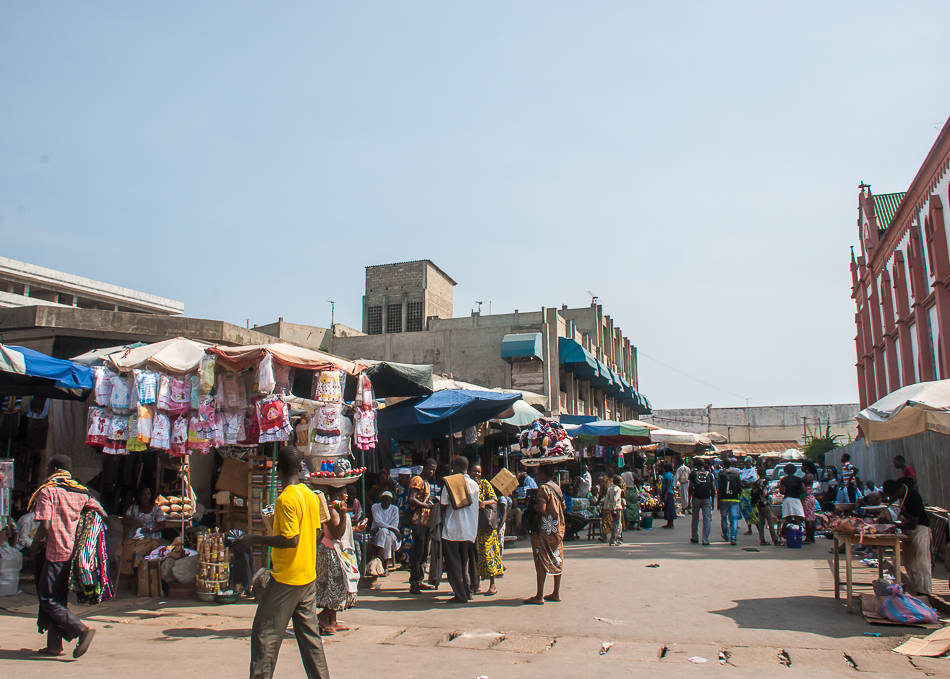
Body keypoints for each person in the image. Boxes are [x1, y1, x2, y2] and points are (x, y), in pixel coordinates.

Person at [235, 447, 330, 679]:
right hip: (307, 576)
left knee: (264, 635)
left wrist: (253, 539)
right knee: (311, 640)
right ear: (300, 468)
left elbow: (290, 540)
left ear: (277, 471)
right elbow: (317, 534)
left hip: (287, 578)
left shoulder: (286, 500)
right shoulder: (310, 495)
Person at [28, 455, 102, 658]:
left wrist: (33, 546)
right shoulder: (81, 492)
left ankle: (81, 630)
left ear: (54, 468)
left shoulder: (47, 491)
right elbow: (99, 513)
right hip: (72, 552)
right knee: (58, 599)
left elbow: (44, 526)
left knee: (47, 598)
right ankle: (54, 645)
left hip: (53, 552)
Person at [315, 486, 360, 636]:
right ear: (336, 494)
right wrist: (344, 514)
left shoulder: (335, 509)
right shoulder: (333, 511)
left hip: (335, 550)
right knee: (335, 586)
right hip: (331, 551)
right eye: (344, 492)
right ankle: (322, 617)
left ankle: (332, 620)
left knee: (336, 585)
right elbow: (336, 533)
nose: (347, 495)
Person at [440, 456, 479, 603]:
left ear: (455, 466)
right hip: (469, 530)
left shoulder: (450, 482)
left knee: (453, 565)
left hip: (453, 529)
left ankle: (460, 595)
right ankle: (467, 591)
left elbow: (444, 504)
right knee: (465, 563)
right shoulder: (474, 484)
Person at [882, 479, 932, 595]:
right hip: (909, 532)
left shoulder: (912, 497)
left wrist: (894, 524)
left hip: (920, 531)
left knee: (920, 563)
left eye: (891, 495)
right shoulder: (902, 496)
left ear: (898, 490)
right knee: (910, 564)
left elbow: (913, 523)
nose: (891, 498)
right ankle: (917, 591)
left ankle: (924, 593)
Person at [524, 465, 565, 605]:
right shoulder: (557, 487)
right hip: (557, 528)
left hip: (544, 529)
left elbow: (541, 509)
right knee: (557, 559)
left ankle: (539, 595)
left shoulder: (543, 489)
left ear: (542, 473)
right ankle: (556, 592)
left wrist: (531, 505)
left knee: (542, 560)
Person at [118, 486, 165, 593]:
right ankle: (131, 575)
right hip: (135, 539)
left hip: (151, 540)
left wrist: (151, 530)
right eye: (143, 494)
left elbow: (162, 524)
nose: (146, 497)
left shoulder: (156, 509)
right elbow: (125, 519)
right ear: (139, 496)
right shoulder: (134, 508)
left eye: (148, 494)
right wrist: (134, 522)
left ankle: (138, 580)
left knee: (136, 553)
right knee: (122, 552)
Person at [471, 464, 503, 595]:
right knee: (476, 556)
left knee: (488, 554)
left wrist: (484, 503)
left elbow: (494, 499)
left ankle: (492, 585)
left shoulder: (484, 484)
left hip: (486, 527)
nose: (476, 474)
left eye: (478, 472)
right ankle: (477, 584)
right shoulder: (469, 486)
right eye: (474, 471)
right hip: (474, 526)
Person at [408, 459, 437, 594]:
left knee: (424, 552)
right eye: (430, 469)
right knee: (418, 552)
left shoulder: (426, 482)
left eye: (434, 470)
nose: (432, 472)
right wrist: (426, 506)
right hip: (418, 521)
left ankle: (419, 580)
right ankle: (414, 583)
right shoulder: (418, 480)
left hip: (426, 522)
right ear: (424, 468)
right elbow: (411, 498)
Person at [370, 491, 401, 574]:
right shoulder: (375, 507)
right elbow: (378, 521)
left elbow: (395, 524)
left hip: (389, 533)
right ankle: (385, 565)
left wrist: (388, 529)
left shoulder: (394, 509)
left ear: (391, 501)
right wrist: (393, 529)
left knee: (385, 533)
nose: (386, 502)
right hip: (377, 534)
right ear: (381, 500)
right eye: (384, 500)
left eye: (388, 500)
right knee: (385, 536)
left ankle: (379, 558)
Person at [689, 459, 715, 545]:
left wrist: (689, 500)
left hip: (696, 498)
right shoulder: (710, 474)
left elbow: (690, 487)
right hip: (707, 498)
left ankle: (695, 537)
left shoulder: (693, 474)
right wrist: (713, 502)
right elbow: (713, 488)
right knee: (707, 519)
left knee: (695, 518)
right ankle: (705, 539)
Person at [750, 470, 779, 545]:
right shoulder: (765, 482)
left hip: (758, 503)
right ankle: (775, 540)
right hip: (764, 503)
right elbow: (765, 493)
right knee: (770, 522)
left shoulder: (757, 482)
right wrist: (770, 493)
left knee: (761, 522)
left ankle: (762, 539)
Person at [717, 459, 741, 545]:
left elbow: (719, 488)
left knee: (724, 518)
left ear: (723, 464)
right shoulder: (736, 473)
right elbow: (739, 486)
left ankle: (726, 535)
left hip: (724, 498)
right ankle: (733, 538)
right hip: (734, 498)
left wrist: (718, 501)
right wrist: (739, 495)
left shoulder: (721, 473)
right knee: (734, 519)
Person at [778, 464, 805, 541]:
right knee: (798, 518)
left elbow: (781, 491)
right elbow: (803, 490)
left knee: (787, 518)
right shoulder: (799, 479)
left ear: (786, 471)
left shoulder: (783, 480)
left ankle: (783, 533)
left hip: (787, 499)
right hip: (796, 499)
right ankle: (799, 534)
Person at [738, 457, 759, 535]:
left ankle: (759, 528)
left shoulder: (753, 471)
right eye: (745, 462)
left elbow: (754, 481)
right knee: (746, 511)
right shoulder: (742, 471)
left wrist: (746, 482)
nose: (746, 464)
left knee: (753, 511)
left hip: (751, 493)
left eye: (748, 462)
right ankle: (749, 529)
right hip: (744, 493)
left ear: (751, 463)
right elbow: (740, 481)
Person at [603, 476, 624, 546]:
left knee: (618, 523)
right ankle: (613, 540)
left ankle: (617, 538)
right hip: (617, 508)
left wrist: (606, 508)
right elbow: (615, 499)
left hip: (611, 508)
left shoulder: (610, 488)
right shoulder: (618, 489)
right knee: (617, 524)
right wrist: (614, 507)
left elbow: (606, 499)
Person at [801, 475, 818, 544]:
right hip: (812, 500)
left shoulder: (804, 487)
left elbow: (803, 494)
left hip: (807, 500)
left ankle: (808, 538)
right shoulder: (810, 487)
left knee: (808, 520)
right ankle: (812, 537)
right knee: (812, 518)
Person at [660, 462, 676, 529]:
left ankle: (670, 523)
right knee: (668, 507)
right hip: (669, 492)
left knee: (669, 508)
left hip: (668, 493)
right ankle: (669, 523)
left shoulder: (667, 475)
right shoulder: (669, 474)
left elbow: (668, 485)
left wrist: (665, 494)